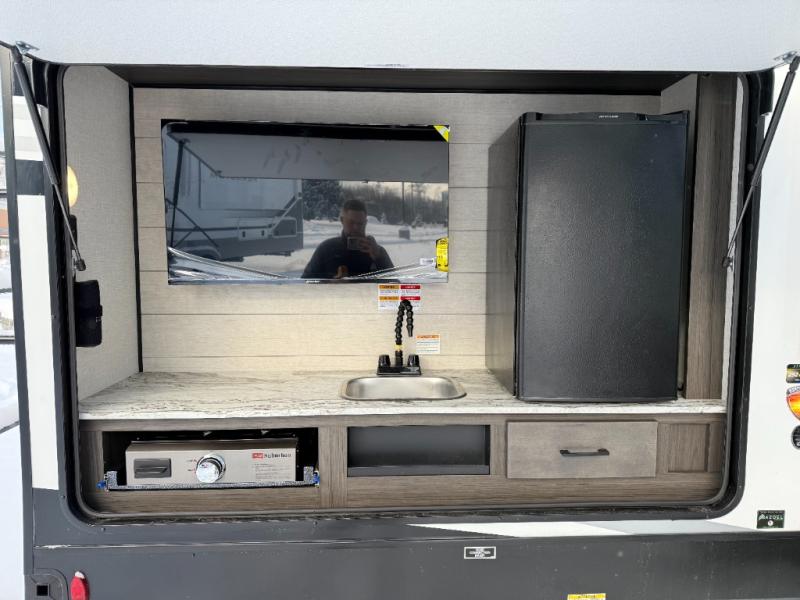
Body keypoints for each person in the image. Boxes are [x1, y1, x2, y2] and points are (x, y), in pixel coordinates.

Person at [302, 199, 394, 279]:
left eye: (360, 223)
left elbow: (394, 288)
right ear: (342, 220)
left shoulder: (377, 251)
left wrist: (379, 259)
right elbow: (305, 284)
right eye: (351, 222)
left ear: (365, 223)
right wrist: (330, 284)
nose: (356, 228)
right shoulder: (327, 249)